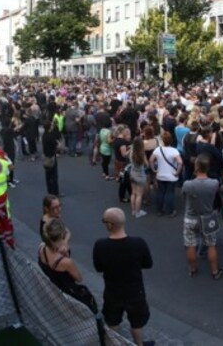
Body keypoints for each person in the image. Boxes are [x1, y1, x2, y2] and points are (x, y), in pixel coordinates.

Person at [93, 207, 153, 346]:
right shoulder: (138, 243)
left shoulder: (100, 245)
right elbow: (148, 264)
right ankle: (139, 344)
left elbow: (98, 268)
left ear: (110, 225)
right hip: (134, 290)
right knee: (137, 322)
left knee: (113, 320)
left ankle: (114, 343)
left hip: (112, 290)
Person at [39, 218, 97, 312]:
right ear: (61, 235)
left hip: (54, 285)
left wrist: (65, 241)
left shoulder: (42, 248)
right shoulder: (65, 262)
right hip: (68, 289)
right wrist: (66, 254)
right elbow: (79, 278)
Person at [182, 155, 223, 279]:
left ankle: (193, 269)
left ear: (196, 167)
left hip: (191, 217)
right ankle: (215, 271)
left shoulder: (188, 184)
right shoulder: (214, 183)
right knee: (211, 245)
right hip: (208, 217)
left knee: (190, 245)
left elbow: (184, 195)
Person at [149, 131, 182, 217]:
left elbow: (151, 160)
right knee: (170, 193)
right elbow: (180, 162)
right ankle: (170, 211)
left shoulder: (157, 150)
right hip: (171, 176)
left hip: (160, 175)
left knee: (161, 192)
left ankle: (159, 210)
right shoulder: (174, 151)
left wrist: (154, 169)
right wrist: (177, 172)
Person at [128, 137, 149, 218]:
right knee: (139, 195)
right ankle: (138, 212)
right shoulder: (142, 154)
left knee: (133, 193)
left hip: (132, 173)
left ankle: (133, 210)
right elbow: (147, 164)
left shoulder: (131, 151)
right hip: (140, 175)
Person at [41, 120, 62, 197]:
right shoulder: (51, 136)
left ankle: (49, 191)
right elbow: (58, 146)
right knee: (54, 176)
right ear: (50, 127)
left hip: (45, 156)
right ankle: (55, 192)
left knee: (48, 175)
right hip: (52, 157)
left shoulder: (44, 135)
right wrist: (59, 145)